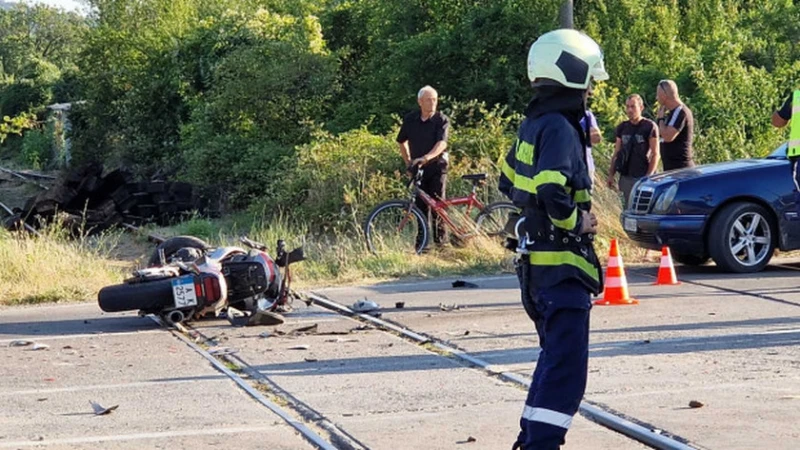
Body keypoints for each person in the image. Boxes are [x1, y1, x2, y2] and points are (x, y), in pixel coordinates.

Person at [498, 29, 606, 450]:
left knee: (552, 361)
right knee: (565, 371)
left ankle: (530, 440)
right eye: (591, 80)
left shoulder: (533, 123)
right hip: (561, 268)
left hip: (537, 270)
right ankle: (541, 444)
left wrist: (539, 215)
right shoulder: (561, 128)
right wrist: (577, 222)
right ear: (572, 73)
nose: (593, 89)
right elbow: (550, 189)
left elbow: (511, 182)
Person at [396, 85, 450, 247]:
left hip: (437, 168)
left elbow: (442, 143)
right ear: (420, 102)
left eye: (434, 99)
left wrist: (427, 157)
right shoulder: (411, 120)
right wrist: (409, 163)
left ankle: (442, 245)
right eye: (428, 100)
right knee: (420, 207)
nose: (432, 103)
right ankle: (422, 245)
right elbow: (401, 141)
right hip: (419, 169)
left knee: (438, 206)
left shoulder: (441, 119)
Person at [607, 94, 660, 207]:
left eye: (633, 106)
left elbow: (656, 154)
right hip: (626, 176)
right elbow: (616, 152)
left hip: (643, 175)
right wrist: (611, 174)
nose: (630, 110)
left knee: (643, 208)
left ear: (641, 107)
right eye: (627, 107)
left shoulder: (649, 126)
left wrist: (648, 177)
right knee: (627, 209)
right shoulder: (622, 127)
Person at [655, 79, 695, 171]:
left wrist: (660, 119)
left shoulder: (680, 112)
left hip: (681, 169)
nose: (657, 97)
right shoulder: (672, 113)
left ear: (664, 95)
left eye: (658, 94)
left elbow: (668, 137)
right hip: (672, 169)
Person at [580, 109, 602, 180]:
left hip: (586, 166)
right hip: (565, 167)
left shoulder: (587, 115)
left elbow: (597, 138)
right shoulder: (560, 114)